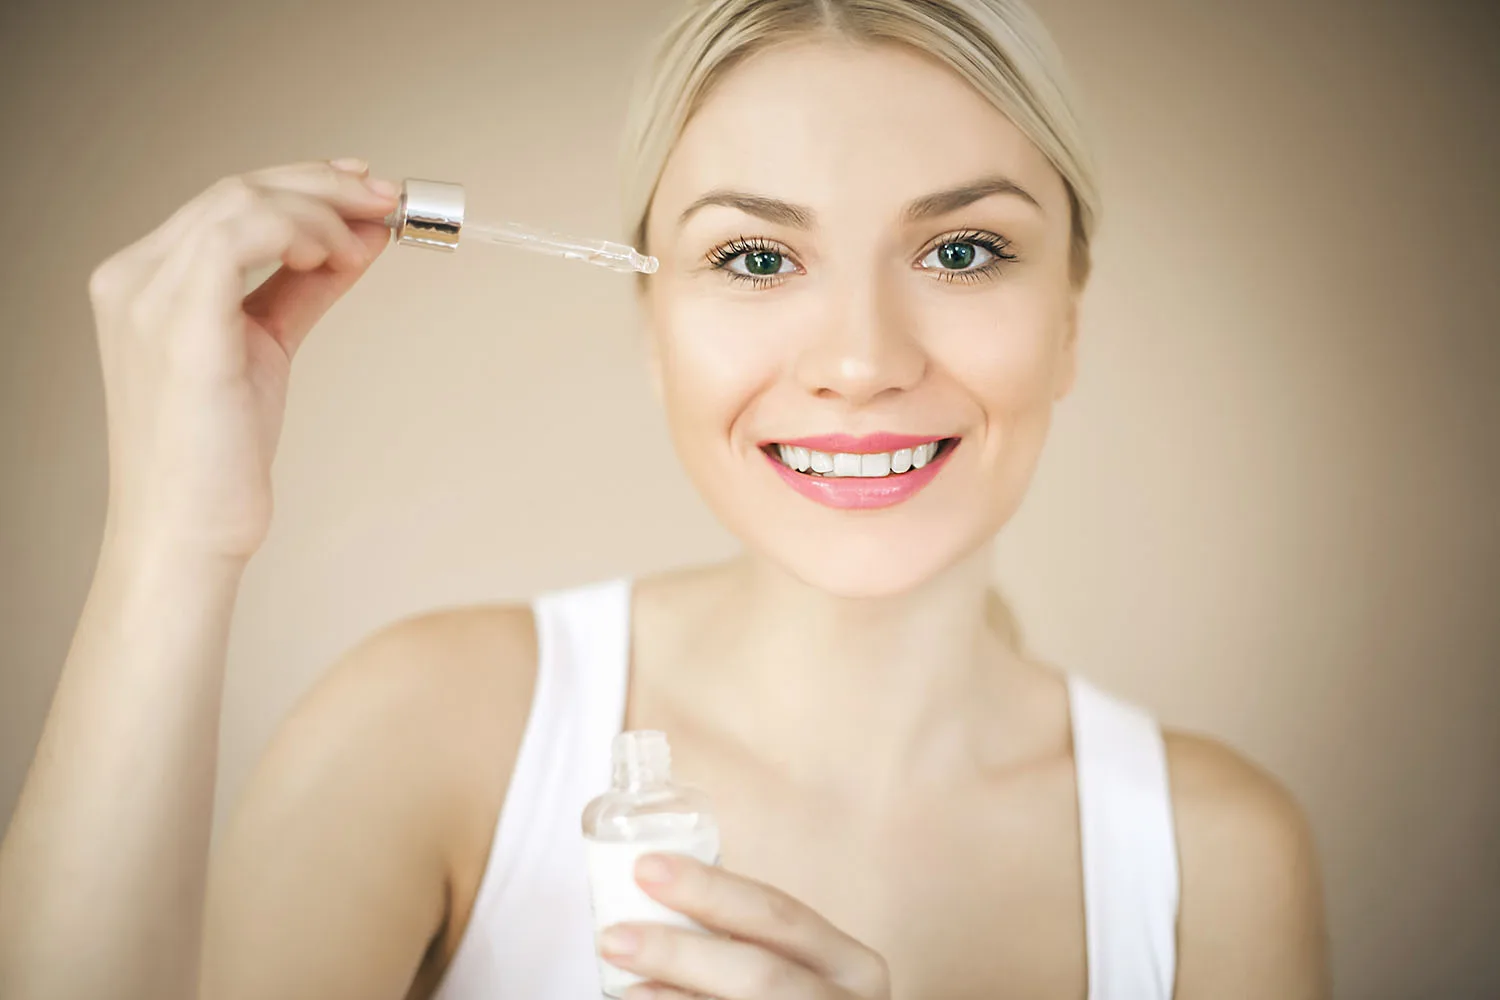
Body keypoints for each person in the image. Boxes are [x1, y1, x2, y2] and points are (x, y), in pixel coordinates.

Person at [0, 1, 1330, 998]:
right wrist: (176, 538)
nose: (862, 363)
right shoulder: (432, 730)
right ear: (650, 323)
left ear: (1070, 318)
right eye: (756, 256)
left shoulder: (1217, 859)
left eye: (964, 249)